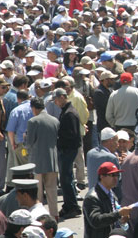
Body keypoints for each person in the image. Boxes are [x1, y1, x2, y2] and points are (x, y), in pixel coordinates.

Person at [24, 97, 59, 218]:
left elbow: (29, 143)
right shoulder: (55, 120)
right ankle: (54, 214)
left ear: (33, 108)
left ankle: (40, 216)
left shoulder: (33, 121)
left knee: (38, 192)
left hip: (37, 161)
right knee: (52, 191)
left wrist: (25, 138)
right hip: (52, 160)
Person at [53, 87, 82, 220]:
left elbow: (73, 134)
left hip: (68, 149)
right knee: (65, 179)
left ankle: (73, 206)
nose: (55, 102)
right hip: (66, 149)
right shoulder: (66, 111)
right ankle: (68, 205)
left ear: (63, 97)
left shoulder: (69, 113)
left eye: (56, 99)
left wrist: (58, 135)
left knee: (66, 179)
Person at [83, 162, 131, 238]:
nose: (116, 178)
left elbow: (111, 216)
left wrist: (121, 220)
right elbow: (95, 221)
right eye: (112, 175)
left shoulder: (112, 193)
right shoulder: (92, 197)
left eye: (117, 175)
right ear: (102, 176)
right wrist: (118, 214)